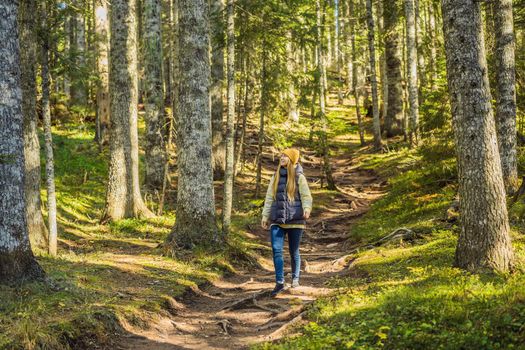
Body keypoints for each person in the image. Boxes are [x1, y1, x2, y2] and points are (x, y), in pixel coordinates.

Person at [261, 148, 313, 297]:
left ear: (292, 159)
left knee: (293, 251)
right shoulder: (275, 176)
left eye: (285, 156)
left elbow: (306, 195)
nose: (281, 157)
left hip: (295, 220)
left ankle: (295, 279)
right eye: (281, 155)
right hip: (277, 219)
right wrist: (265, 216)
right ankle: (279, 282)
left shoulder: (299, 177)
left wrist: (307, 208)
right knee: (276, 250)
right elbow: (269, 197)